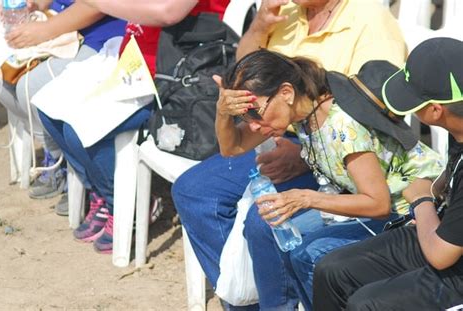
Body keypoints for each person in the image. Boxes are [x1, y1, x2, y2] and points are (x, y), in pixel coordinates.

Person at [172, 0, 406, 309]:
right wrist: (224, 111)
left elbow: (383, 110)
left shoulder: (367, 23)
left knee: (267, 223)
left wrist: (306, 176)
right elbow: (237, 132)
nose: (252, 124)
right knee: (194, 190)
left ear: (285, 92)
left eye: (255, 115)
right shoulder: (288, 97)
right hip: (305, 140)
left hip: (366, 177)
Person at [38, 0, 230, 254]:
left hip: (172, 73)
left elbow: (168, 12)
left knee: (80, 130)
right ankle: (100, 192)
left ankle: (126, 202)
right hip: (131, 61)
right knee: (48, 106)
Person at [313, 37, 463, 311]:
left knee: (366, 305)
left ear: (434, 110)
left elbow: (442, 256)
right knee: (332, 270)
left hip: (453, 259)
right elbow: (450, 176)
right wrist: (435, 190)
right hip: (447, 232)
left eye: (412, 100)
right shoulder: (458, 126)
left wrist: (421, 203)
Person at [0, 0, 126, 213]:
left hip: (107, 38)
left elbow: (97, 5)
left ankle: (84, 176)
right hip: (66, 25)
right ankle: (57, 155)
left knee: (33, 85)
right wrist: (34, 5)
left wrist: (44, 30)